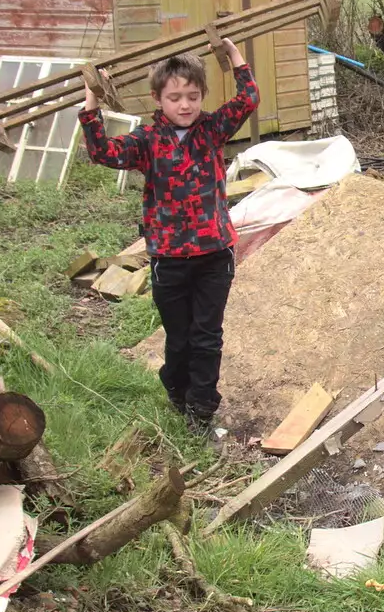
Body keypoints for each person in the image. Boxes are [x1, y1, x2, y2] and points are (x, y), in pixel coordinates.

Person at [79, 40, 258, 430]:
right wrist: (92, 97)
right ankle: (177, 391)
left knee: (207, 336)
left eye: (193, 96)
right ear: (157, 99)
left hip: (214, 255)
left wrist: (233, 55)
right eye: (174, 97)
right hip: (169, 259)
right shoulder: (146, 141)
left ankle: (202, 410)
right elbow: (102, 152)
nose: (185, 105)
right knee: (179, 339)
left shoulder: (211, 130)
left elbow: (248, 99)